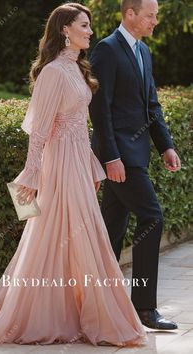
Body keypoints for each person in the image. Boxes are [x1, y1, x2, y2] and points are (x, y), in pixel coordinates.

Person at [0, 2, 148, 348]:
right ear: (64, 30)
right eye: (83, 25)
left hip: (76, 164)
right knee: (61, 233)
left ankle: (76, 310)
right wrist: (32, 175)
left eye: (89, 25)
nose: (90, 31)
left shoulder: (76, 69)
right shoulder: (54, 72)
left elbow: (76, 128)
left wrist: (91, 164)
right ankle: (39, 314)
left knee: (76, 234)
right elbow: (40, 131)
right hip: (58, 167)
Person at [89, 0, 181, 330]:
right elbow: (100, 109)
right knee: (152, 217)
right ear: (130, 14)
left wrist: (166, 146)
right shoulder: (106, 50)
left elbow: (151, 106)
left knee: (110, 231)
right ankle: (143, 308)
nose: (155, 21)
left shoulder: (144, 52)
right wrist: (111, 157)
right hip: (120, 158)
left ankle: (97, 303)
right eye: (150, 15)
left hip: (138, 154)